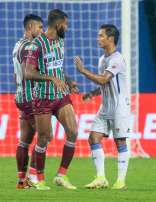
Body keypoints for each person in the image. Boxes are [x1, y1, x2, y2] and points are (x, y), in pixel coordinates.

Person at [24, 9, 78, 190]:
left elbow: (58, 68)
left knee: (73, 131)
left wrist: (68, 81)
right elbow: (28, 73)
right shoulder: (36, 44)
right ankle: (37, 178)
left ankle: (61, 175)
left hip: (60, 95)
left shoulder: (61, 41)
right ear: (58, 24)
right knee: (44, 138)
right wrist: (51, 78)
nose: (67, 28)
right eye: (66, 24)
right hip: (43, 97)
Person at [74, 24, 131, 190]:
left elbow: (104, 79)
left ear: (110, 39)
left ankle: (120, 181)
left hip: (120, 107)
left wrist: (83, 71)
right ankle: (100, 178)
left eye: (101, 36)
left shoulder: (117, 59)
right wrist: (92, 93)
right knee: (93, 137)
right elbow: (105, 84)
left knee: (120, 141)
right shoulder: (102, 59)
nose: (98, 39)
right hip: (105, 106)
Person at [13, 14, 43, 189]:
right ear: (30, 27)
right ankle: (31, 178)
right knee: (45, 136)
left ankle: (21, 181)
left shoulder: (17, 45)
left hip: (21, 96)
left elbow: (16, 75)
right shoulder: (29, 47)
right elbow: (28, 73)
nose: (41, 31)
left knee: (25, 140)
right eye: (39, 27)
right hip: (30, 98)